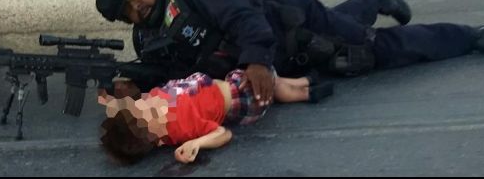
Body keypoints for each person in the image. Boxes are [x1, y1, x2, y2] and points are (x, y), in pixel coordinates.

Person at [95, 0, 484, 107]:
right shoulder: (148, 40)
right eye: (126, 11)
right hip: (285, 62)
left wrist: (255, 60)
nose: (137, 7)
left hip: (294, 25)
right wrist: (138, 87)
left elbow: (243, 18)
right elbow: (179, 80)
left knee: (374, 50)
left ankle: (470, 37)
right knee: (348, 33)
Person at [98, 68, 333, 163]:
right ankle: (306, 92)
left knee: (272, 80)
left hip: (231, 81)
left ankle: (306, 80)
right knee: (273, 88)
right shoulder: (182, 128)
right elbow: (223, 133)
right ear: (154, 135)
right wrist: (196, 143)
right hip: (242, 100)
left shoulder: (153, 102)